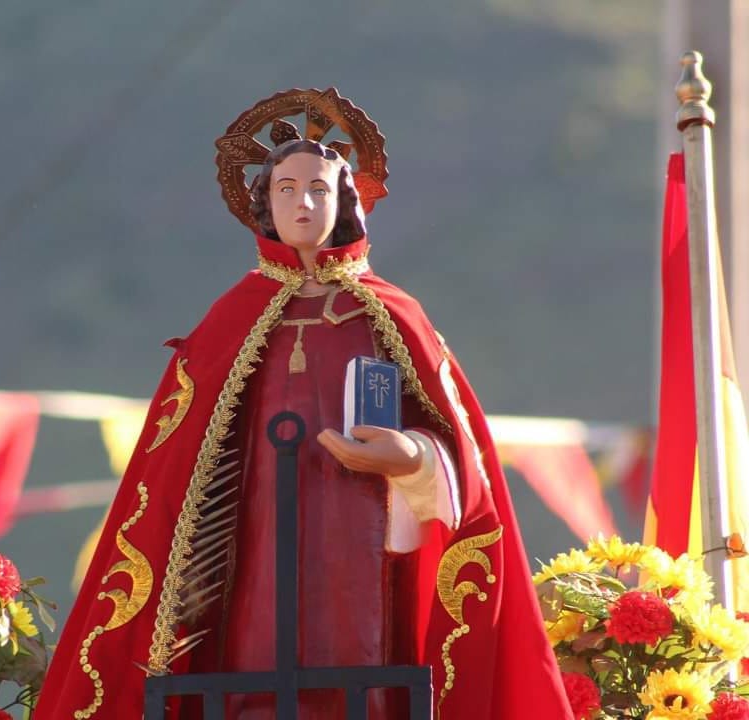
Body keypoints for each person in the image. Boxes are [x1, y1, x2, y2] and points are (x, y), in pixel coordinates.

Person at [34, 89, 571, 720]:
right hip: (254, 521)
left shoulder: (393, 315)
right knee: (258, 625)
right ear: (263, 204)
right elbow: (177, 465)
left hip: (358, 526)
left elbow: (460, 457)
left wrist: (412, 459)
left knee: (354, 633)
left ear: (347, 202)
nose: (304, 203)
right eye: (286, 189)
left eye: (319, 189)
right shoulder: (230, 320)